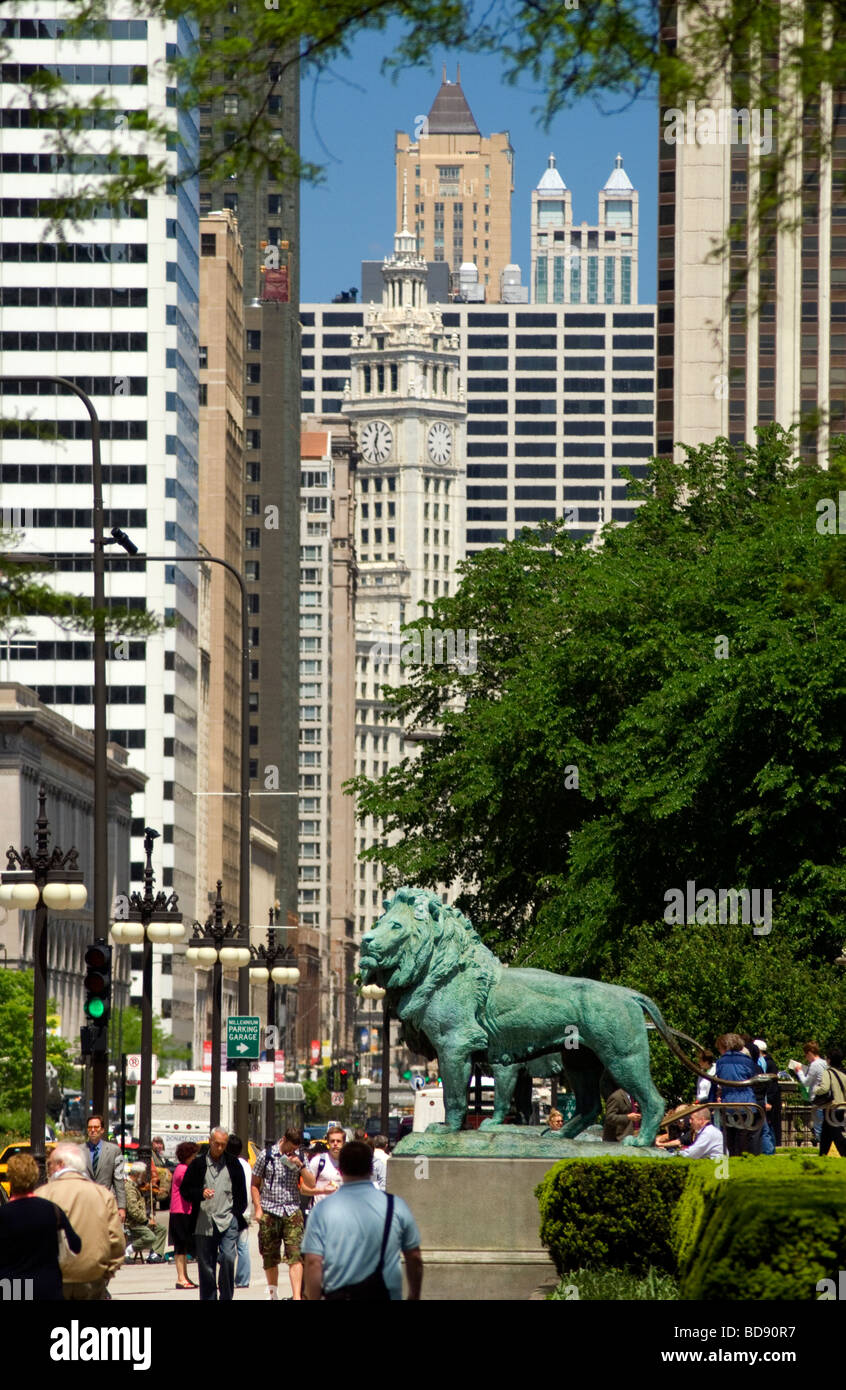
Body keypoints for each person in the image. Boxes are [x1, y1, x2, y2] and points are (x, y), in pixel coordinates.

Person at [302, 1141, 422, 1301]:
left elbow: (313, 1262)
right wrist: (414, 1295)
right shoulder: (395, 1206)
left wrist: (313, 1297)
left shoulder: (322, 1210)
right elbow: (413, 1256)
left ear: (341, 1169)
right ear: (371, 1168)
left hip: (339, 1294)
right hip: (384, 1293)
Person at [34, 1142, 125, 1300]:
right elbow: (116, 1240)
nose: (48, 1168)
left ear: (60, 1164)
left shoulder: (42, 1194)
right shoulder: (102, 1195)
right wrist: (107, 1272)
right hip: (92, 1276)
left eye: (50, 1164)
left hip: (54, 1277)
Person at [0, 1153, 81, 1301]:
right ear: (35, 1177)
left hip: (13, 1287)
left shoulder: (3, 1214)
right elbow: (76, 1245)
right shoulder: (52, 1210)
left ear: (10, 1178)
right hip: (47, 1285)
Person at [179, 1127, 248, 1301]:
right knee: (206, 1266)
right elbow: (185, 1190)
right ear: (210, 1141)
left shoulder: (233, 1164)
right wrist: (200, 1193)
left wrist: (235, 1215)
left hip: (227, 1221)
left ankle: (226, 1295)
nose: (219, 1148)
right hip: (204, 1222)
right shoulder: (198, 1164)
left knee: (228, 1258)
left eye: (223, 1145)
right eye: (216, 1144)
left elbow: (241, 1196)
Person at [251, 1127, 307, 1301]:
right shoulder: (265, 1155)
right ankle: (273, 1293)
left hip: (292, 1210)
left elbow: (308, 1183)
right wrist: (258, 1208)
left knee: (295, 1254)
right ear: (283, 1139)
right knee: (269, 1255)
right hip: (270, 1210)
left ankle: (297, 1296)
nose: (292, 1152)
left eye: (295, 1148)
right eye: (290, 1147)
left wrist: (300, 1164)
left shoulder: (299, 1158)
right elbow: (255, 1184)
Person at [710, 1033, 763, 1156]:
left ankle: (730, 1166)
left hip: (728, 1104)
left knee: (729, 1141)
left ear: (724, 1046)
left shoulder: (720, 1062)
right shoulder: (747, 1061)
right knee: (744, 1140)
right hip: (747, 1105)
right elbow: (753, 1079)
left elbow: (721, 1080)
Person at [83, 1114, 126, 1222]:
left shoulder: (115, 1151)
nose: (92, 1130)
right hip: (84, 1203)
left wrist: (121, 1207)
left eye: (96, 1127)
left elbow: (119, 1180)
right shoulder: (79, 1151)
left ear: (102, 1130)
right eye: (90, 1127)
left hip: (105, 1203)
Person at [168, 1141, 198, 1290]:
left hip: (184, 1210)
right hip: (179, 1211)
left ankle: (185, 1276)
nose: (195, 1157)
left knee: (183, 1246)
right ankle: (181, 1278)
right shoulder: (182, 1170)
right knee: (180, 1247)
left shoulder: (184, 1168)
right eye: (193, 1155)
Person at [124, 1162, 167, 1262]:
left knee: (161, 1229)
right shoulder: (130, 1188)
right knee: (150, 1237)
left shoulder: (137, 1186)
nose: (144, 1179)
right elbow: (133, 1210)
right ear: (137, 1174)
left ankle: (155, 1254)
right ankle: (128, 1251)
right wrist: (146, 1221)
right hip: (133, 1223)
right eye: (143, 1175)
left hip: (141, 1221)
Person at [226, 1134, 253, 1290]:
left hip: (233, 1211)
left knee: (228, 1247)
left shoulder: (230, 1164)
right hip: (246, 1210)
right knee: (243, 1246)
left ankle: (228, 1277)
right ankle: (243, 1279)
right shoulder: (246, 1164)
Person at [789, 1042, 827, 1145]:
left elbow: (806, 1082)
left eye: (806, 1055)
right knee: (826, 1126)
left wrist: (799, 1071)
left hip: (817, 1099)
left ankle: (823, 1151)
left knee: (819, 1128)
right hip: (826, 1098)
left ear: (810, 1053)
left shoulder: (814, 1065)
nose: (806, 1058)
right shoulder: (825, 1063)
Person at [811, 1046, 846, 1158]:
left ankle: (844, 1154)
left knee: (837, 1136)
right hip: (841, 1107)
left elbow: (824, 1088)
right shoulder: (843, 1073)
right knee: (825, 1135)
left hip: (831, 1108)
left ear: (829, 1060)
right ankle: (822, 1155)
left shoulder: (828, 1072)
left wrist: (815, 1089)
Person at [300, 1124, 344, 1205]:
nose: (335, 1144)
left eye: (338, 1141)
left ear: (343, 1143)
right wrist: (322, 1191)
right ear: (328, 1143)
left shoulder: (350, 1164)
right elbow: (303, 1189)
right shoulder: (319, 1161)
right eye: (332, 1141)